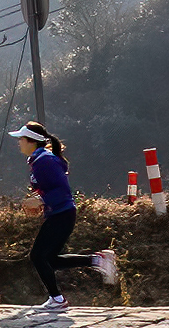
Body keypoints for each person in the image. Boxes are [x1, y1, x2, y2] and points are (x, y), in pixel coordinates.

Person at [10, 121, 117, 312]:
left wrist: (41, 200)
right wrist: (37, 199)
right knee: (49, 259)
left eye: (21, 139)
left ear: (31, 141)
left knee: (37, 256)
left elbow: (63, 190)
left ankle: (57, 300)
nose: (18, 143)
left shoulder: (45, 161)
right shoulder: (38, 160)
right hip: (59, 213)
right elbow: (49, 189)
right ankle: (97, 261)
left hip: (62, 214)